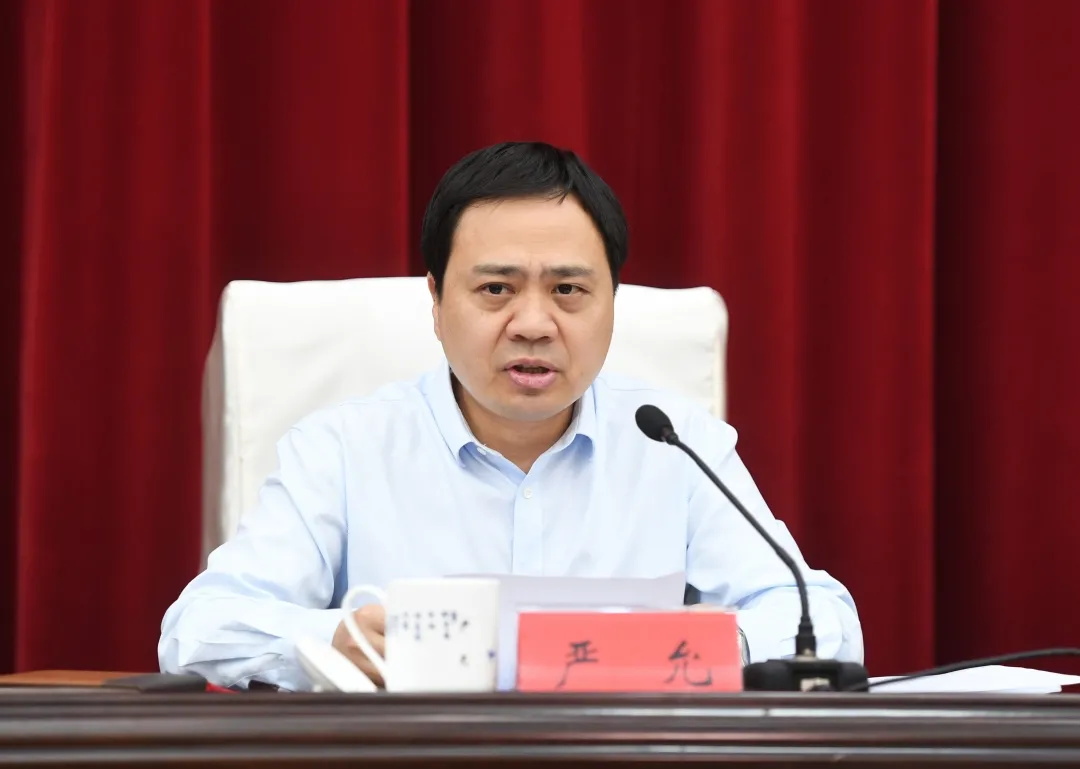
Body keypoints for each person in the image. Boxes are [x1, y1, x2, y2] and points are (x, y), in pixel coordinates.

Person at [159, 141, 863, 690]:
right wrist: (329, 641)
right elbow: (199, 627)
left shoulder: (675, 444)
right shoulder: (342, 448)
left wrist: (706, 647)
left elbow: (822, 618)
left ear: (611, 303)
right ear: (436, 303)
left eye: (568, 290)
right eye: (496, 288)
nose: (533, 323)